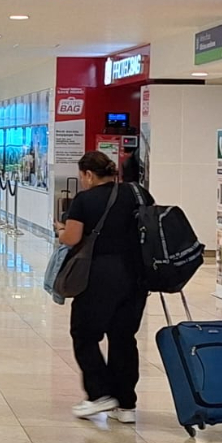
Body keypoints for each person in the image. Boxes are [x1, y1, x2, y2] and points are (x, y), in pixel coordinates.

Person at [56, 151, 153, 422]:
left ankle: (99, 394)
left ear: (88, 174)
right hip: (136, 276)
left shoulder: (85, 200)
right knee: (123, 338)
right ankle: (126, 405)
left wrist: (59, 231)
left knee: (85, 334)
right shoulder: (138, 194)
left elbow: (72, 237)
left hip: (99, 276)